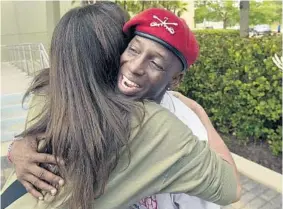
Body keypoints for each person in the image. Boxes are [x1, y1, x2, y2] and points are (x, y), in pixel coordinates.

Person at [2, 3, 241, 209]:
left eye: (155, 62)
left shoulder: (47, 90)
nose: (136, 65)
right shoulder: (153, 124)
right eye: (133, 48)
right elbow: (231, 188)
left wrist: (17, 147)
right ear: (116, 50)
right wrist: (201, 114)